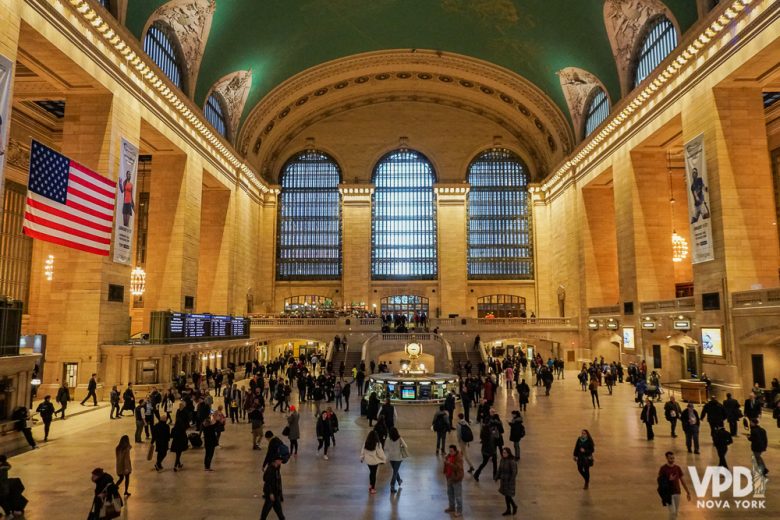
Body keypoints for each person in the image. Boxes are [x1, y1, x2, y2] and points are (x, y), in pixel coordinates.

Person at [657, 452, 691, 520]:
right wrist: (669, 480)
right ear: (667, 458)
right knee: (672, 512)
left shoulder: (677, 468)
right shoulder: (663, 469)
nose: (672, 460)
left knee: (675, 513)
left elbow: (682, 480)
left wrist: (688, 492)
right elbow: (660, 481)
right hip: (668, 494)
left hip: (677, 492)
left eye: (673, 458)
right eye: (670, 458)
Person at [360, 430, 386, 495]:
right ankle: (372, 488)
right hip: (374, 462)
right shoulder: (377, 444)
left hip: (368, 462)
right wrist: (384, 458)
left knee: (371, 473)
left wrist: (362, 458)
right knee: (373, 474)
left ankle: (371, 485)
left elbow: (363, 451)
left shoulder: (366, 442)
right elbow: (380, 454)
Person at [443, 444, 464, 517]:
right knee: (450, 493)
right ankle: (451, 507)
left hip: (456, 478)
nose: (450, 452)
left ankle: (459, 511)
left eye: (451, 451)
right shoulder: (449, 456)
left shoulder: (459, 458)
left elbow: (458, 468)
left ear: (455, 451)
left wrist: (449, 463)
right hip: (449, 478)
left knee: (458, 496)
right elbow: (446, 465)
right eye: (449, 451)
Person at [385, 427, 408, 493]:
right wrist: (400, 446)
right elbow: (405, 446)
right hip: (398, 457)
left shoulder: (388, 439)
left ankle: (399, 480)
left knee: (395, 471)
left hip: (391, 457)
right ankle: (392, 486)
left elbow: (386, 448)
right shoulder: (399, 438)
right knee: (395, 472)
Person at [498, 447, 518, 516]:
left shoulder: (512, 461)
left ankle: (514, 506)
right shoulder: (502, 460)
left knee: (508, 495)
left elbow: (514, 473)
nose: (503, 454)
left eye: (505, 453)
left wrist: (510, 481)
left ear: (508, 453)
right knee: (506, 496)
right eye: (503, 453)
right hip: (504, 481)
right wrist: (497, 477)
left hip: (509, 482)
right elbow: (500, 469)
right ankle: (509, 509)